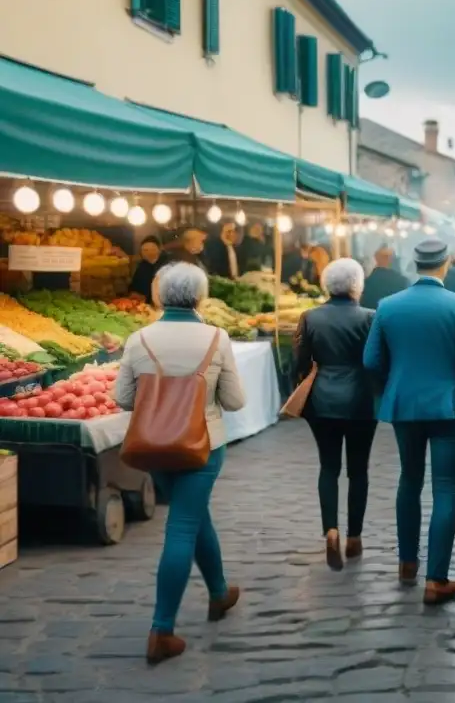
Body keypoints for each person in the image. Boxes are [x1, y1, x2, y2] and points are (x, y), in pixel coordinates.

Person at [113, 262, 246, 665]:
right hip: (202, 445)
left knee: (192, 514)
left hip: (155, 446)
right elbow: (236, 401)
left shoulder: (139, 338)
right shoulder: (216, 338)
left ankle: (220, 592)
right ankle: (161, 629)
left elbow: (122, 398)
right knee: (184, 524)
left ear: (159, 295)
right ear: (200, 297)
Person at [363, 239, 455, 605]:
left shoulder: (388, 306)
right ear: (445, 264)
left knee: (409, 480)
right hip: (448, 406)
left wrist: (394, 385)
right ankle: (436, 578)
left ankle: (406, 563)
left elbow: (370, 360)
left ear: (414, 264)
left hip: (405, 405)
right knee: (445, 488)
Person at [294, 259, 378, 571]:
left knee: (328, 467)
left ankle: (331, 530)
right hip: (360, 401)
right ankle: (354, 536)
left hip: (322, 401)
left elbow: (299, 364)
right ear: (357, 285)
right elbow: (377, 359)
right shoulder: (371, 318)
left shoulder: (310, 317)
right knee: (359, 470)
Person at [128, 236, 171, 305]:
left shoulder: (168, 265)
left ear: (159, 250)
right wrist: (133, 293)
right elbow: (134, 286)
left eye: (153, 249)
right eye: (145, 250)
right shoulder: (142, 266)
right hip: (143, 306)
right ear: (141, 253)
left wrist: (146, 297)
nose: (150, 253)